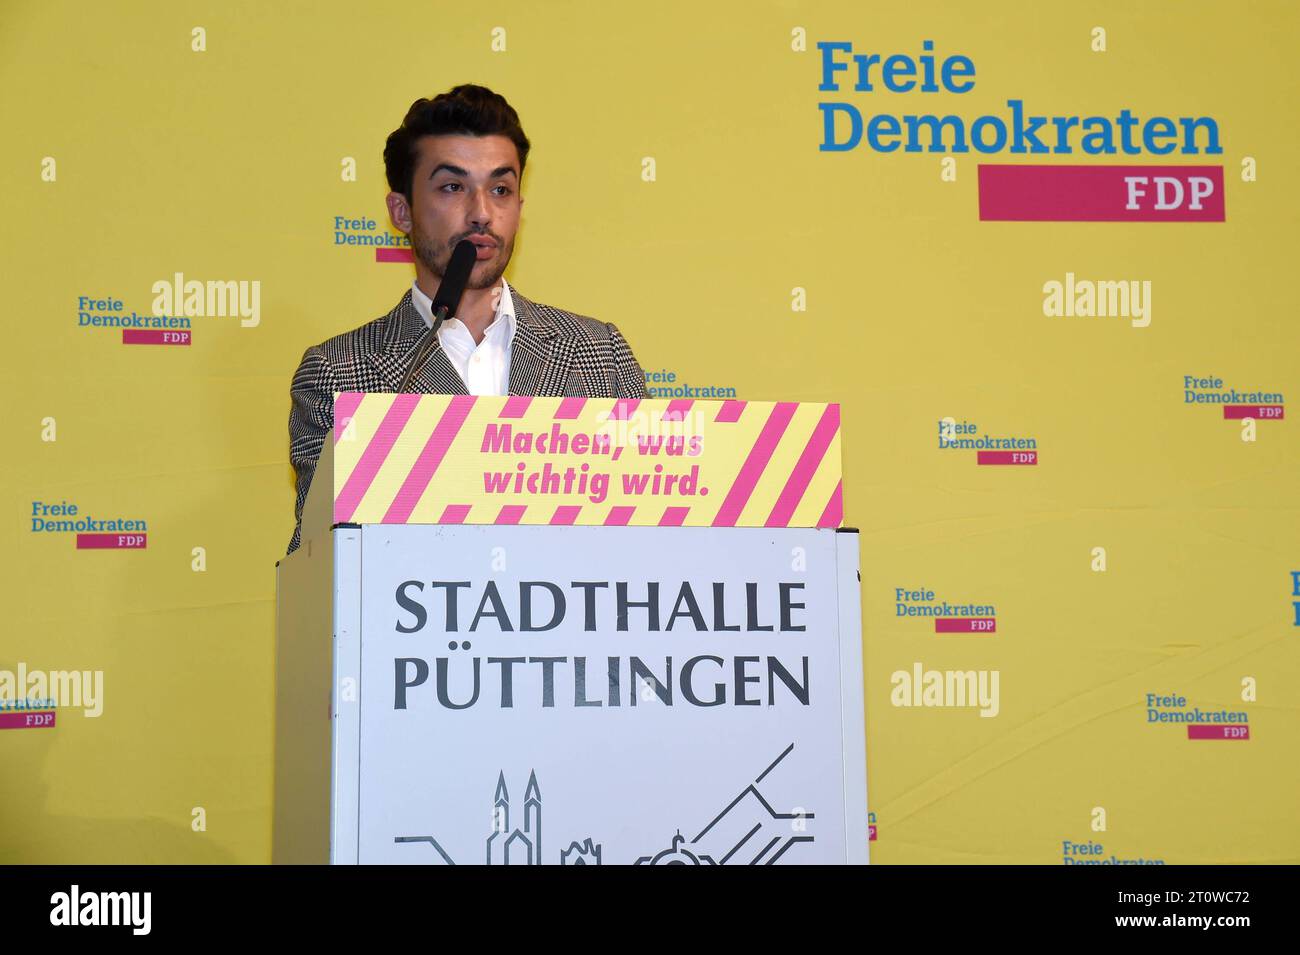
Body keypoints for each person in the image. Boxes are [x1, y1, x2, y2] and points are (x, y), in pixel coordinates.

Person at [285, 85, 647, 555]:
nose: (482, 213)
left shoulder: (599, 354)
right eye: (453, 187)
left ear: (520, 206)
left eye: (501, 189)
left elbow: (647, 540)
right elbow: (321, 558)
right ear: (402, 211)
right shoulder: (339, 374)